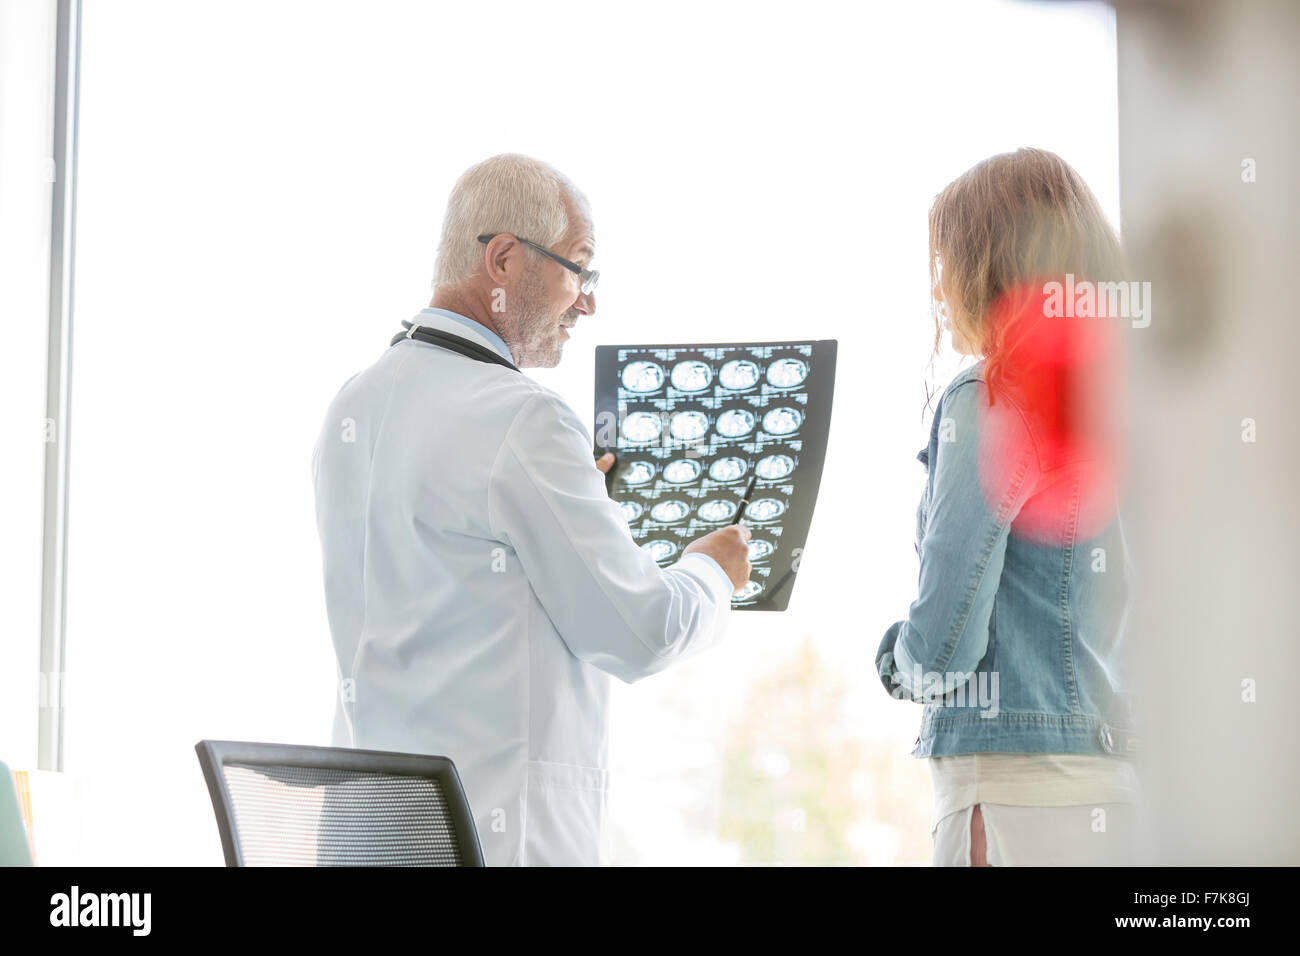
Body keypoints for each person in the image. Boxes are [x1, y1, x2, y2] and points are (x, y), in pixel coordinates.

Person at [311, 153, 751, 866]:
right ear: (508, 260)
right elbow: (643, 632)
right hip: (491, 843)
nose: (588, 301)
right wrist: (709, 572)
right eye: (579, 267)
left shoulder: (351, 406)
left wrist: (568, 503)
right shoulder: (524, 421)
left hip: (369, 843)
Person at [875, 147, 1141, 866]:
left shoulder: (991, 396)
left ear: (981, 267)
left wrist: (896, 662)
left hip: (1019, 786)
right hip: (1123, 786)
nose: (938, 285)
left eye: (944, 260)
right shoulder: (1138, 400)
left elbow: (949, 640)